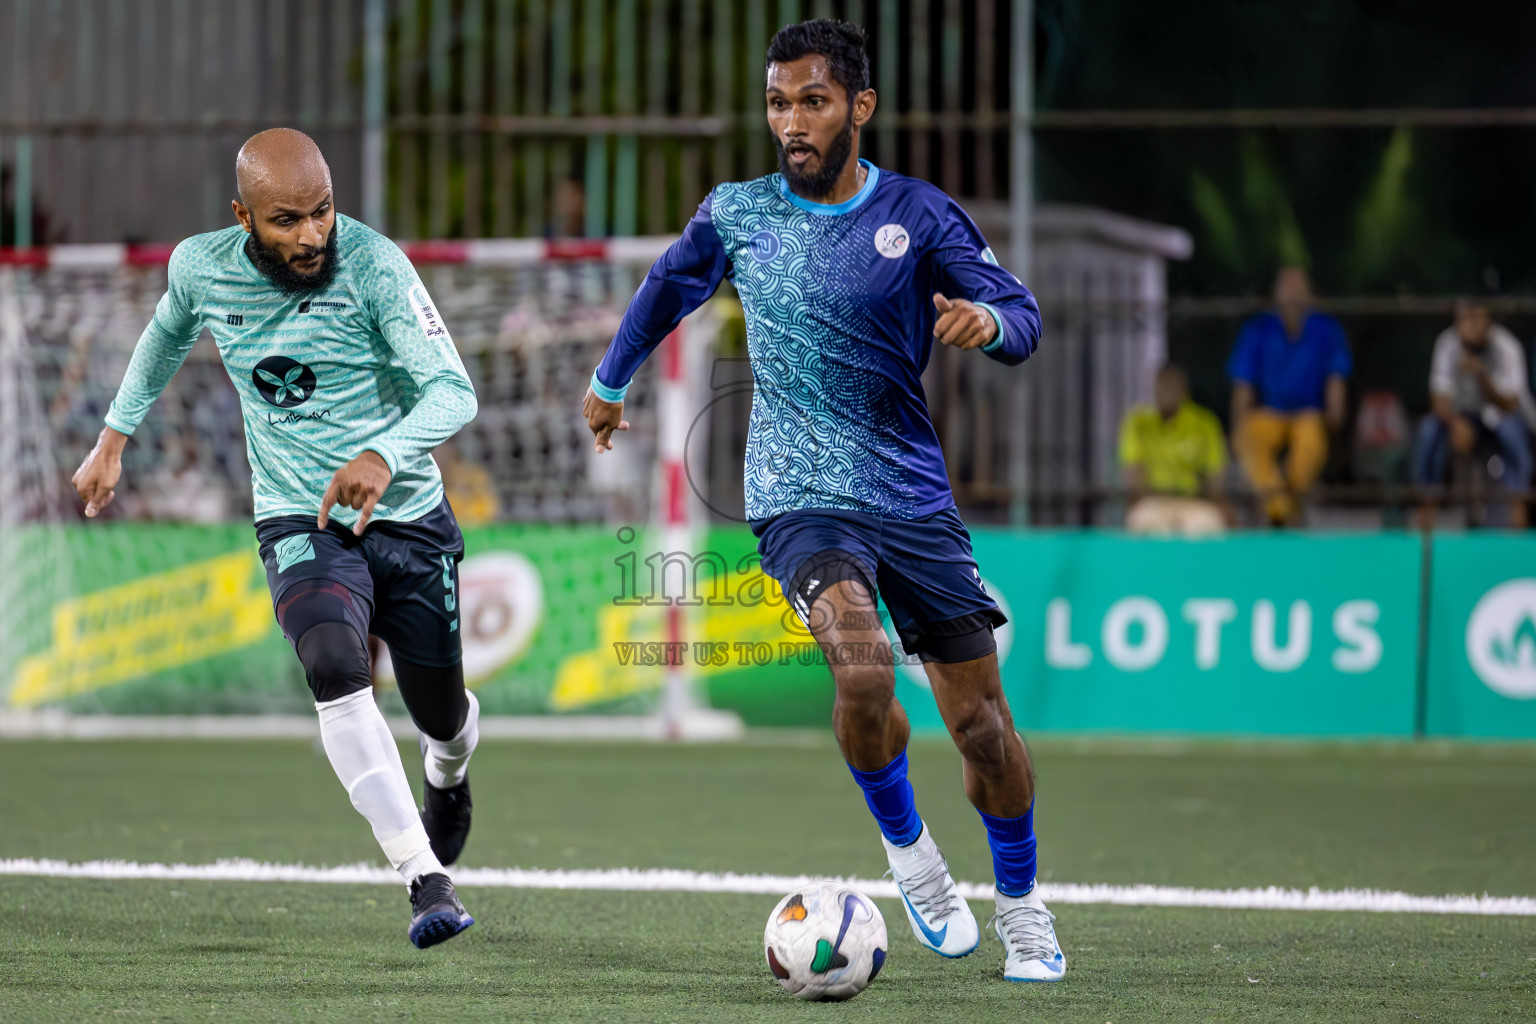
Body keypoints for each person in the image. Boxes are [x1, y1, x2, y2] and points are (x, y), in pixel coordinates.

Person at [582, 20, 1061, 984]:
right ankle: (913, 857)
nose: (791, 123)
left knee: (983, 730)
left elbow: (1026, 318)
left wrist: (988, 323)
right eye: (777, 103)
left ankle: (1023, 907)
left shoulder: (921, 216)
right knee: (862, 672)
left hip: (911, 498)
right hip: (800, 498)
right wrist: (610, 379)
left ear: (860, 108)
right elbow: (665, 288)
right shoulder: (739, 212)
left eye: (812, 101)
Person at [70, 129, 482, 949]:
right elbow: (165, 335)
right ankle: (422, 874)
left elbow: (453, 391)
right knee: (332, 662)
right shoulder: (199, 266)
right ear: (244, 217)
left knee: (439, 712)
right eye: (287, 220)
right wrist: (115, 436)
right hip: (300, 515)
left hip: (407, 519)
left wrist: (382, 454)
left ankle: (452, 766)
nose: (311, 236)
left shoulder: (375, 265)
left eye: (322, 212)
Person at [1228, 266, 1351, 525]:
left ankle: (1286, 507)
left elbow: (1336, 380)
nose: (1292, 294)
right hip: (1270, 413)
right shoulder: (1258, 328)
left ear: (1309, 293)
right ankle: (1279, 507)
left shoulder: (1326, 328)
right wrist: (1239, 426)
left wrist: (1334, 422)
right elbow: (1243, 385)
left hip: (1308, 415)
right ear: (1275, 293)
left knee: (1309, 443)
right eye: (1287, 287)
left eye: (1298, 287)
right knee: (1249, 438)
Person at [1415, 298, 1534, 529]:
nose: (1469, 325)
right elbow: (1438, 398)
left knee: (1511, 430)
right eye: (1463, 318)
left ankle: (1517, 506)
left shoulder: (1506, 347)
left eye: (1475, 318)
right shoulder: (1447, 343)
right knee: (1429, 428)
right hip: (1464, 419)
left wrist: (1482, 377)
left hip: (1502, 418)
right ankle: (1427, 503)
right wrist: (1455, 422)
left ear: (1489, 321)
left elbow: (1511, 404)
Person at [1119, 364, 1228, 535]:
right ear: (1154, 389)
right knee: (1146, 524)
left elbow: (1214, 475)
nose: (1167, 392)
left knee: (1207, 525)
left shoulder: (1205, 423)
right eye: (1162, 386)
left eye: (1173, 386)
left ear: (1185, 391)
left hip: (1192, 502)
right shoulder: (1137, 422)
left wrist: (1219, 505)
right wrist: (1137, 502)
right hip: (1154, 501)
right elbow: (1133, 472)